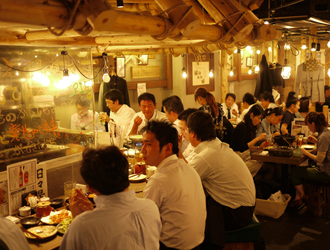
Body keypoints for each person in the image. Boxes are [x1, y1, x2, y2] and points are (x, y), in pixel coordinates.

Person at [60, 146, 161, 250]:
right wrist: (92, 213)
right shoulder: (151, 208)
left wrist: (79, 220)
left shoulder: (82, 225)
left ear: (91, 188)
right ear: (126, 174)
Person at [186, 111, 256, 250]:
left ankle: (208, 246)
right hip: (245, 206)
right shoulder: (214, 145)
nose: (184, 134)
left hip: (238, 213)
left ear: (192, 134)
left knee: (195, 207)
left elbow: (183, 179)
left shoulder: (207, 156)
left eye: (185, 130)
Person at [142, 120, 206, 250]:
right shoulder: (188, 169)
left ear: (168, 148)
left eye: (148, 144)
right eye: (142, 144)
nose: (142, 150)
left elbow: (145, 224)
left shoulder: (158, 181)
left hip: (173, 247)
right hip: (198, 244)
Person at [290, 112, 330, 208]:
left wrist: (305, 152)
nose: (308, 128)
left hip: (325, 172)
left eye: (308, 125)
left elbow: (320, 159)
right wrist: (316, 141)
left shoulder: (323, 136)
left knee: (294, 172)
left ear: (313, 124)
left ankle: (304, 197)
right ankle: (299, 198)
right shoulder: (326, 132)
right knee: (302, 168)